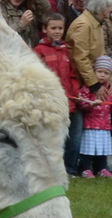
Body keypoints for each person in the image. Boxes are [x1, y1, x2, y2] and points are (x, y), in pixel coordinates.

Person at [33, 11, 84, 175]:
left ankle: (70, 168)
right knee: (53, 138)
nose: (57, 31)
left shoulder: (66, 50)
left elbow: (73, 75)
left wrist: (76, 94)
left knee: (74, 136)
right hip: (51, 102)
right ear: (45, 29)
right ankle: (53, 170)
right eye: (53, 28)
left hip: (70, 101)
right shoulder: (39, 50)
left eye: (60, 28)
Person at [76, 58, 112, 178]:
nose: (102, 75)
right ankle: (85, 168)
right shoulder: (87, 88)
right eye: (100, 72)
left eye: (106, 73)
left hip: (104, 125)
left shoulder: (109, 89)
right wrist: (91, 103)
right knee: (88, 148)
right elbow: (81, 104)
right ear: (94, 72)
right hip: (90, 125)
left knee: (102, 149)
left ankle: (101, 168)